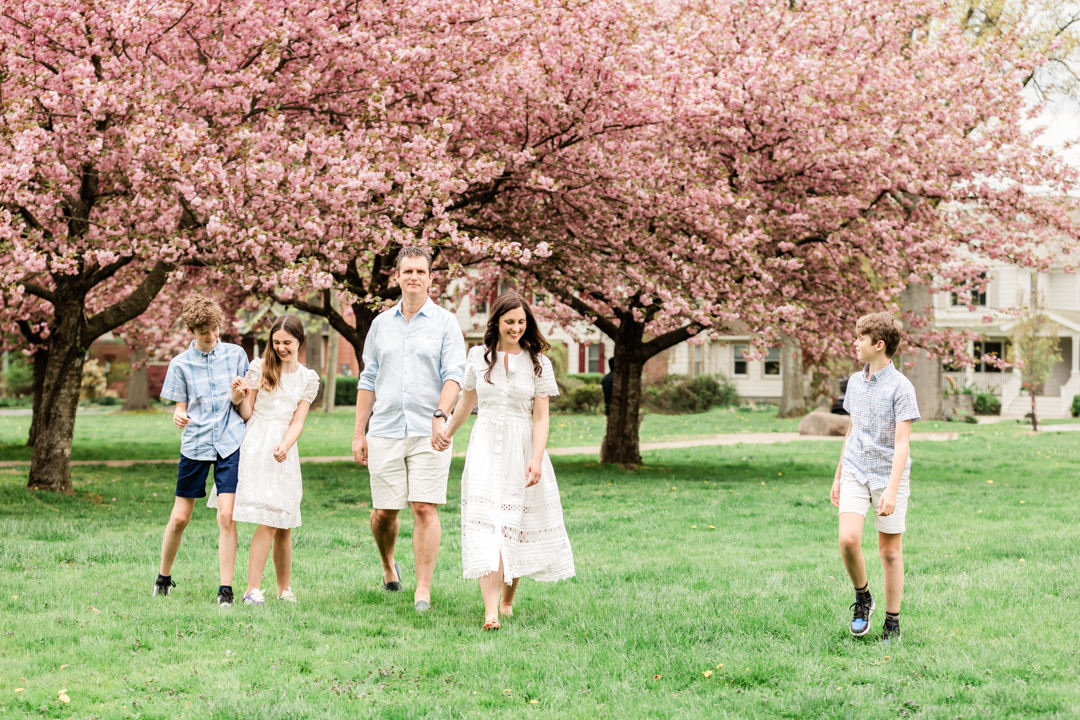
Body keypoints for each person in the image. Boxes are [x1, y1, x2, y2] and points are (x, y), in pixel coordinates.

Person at [437, 291, 575, 630]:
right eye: (509, 321)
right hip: (484, 447)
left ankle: (508, 600)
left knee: (516, 525)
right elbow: (467, 402)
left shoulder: (538, 363)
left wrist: (536, 458)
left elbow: (541, 417)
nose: (515, 327)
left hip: (522, 448)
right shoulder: (477, 357)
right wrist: (446, 432)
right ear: (496, 322)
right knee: (488, 525)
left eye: (521, 322)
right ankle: (491, 612)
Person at [352, 246, 466, 613]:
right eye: (408, 271)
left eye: (420, 271)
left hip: (428, 431)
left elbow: (454, 375)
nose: (414, 277)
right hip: (385, 428)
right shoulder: (380, 325)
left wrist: (441, 414)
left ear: (431, 279)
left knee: (424, 507)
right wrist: (359, 432)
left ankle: (423, 590)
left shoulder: (446, 323)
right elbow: (368, 378)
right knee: (385, 513)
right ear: (398, 277)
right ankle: (388, 565)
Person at [210, 315, 319, 605]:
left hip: (284, 449)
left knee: (283, 523)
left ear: (299, 342)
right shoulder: (260, 367)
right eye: (277, 342)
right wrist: (238, 396)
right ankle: (252, 589)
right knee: (269, 519)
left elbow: (298, 421)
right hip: (257, 445)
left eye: (287, 343)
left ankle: (284, 589)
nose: (281, 348)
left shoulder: (308, 378)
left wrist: (286, 444)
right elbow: (248, 413)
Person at [830, 312, 920, 642]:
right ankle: (863, 598)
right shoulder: (855, 382)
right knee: (848, 540)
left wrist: (892, 490)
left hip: (887, 476)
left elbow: (902, 444)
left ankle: (892, 621)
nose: (854, 342)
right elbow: (852, 430)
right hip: (855, 469)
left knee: (889, 552)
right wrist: (838, 475)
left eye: (860, 338)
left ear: (879, 344)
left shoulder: (902, 388)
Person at [155, 294, 250, 607]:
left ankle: (226, 591)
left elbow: (242, 404)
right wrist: (178, 415)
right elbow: (181, 407)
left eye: (214, 329)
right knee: (180, 518)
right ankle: (163, 579)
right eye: (203, 332)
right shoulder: (180, 364)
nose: (210, 336)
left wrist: (238, 396)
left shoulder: (236, 355)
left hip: (229, 442)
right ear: (189, 330)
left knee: (226, 515)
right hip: (196, 444)